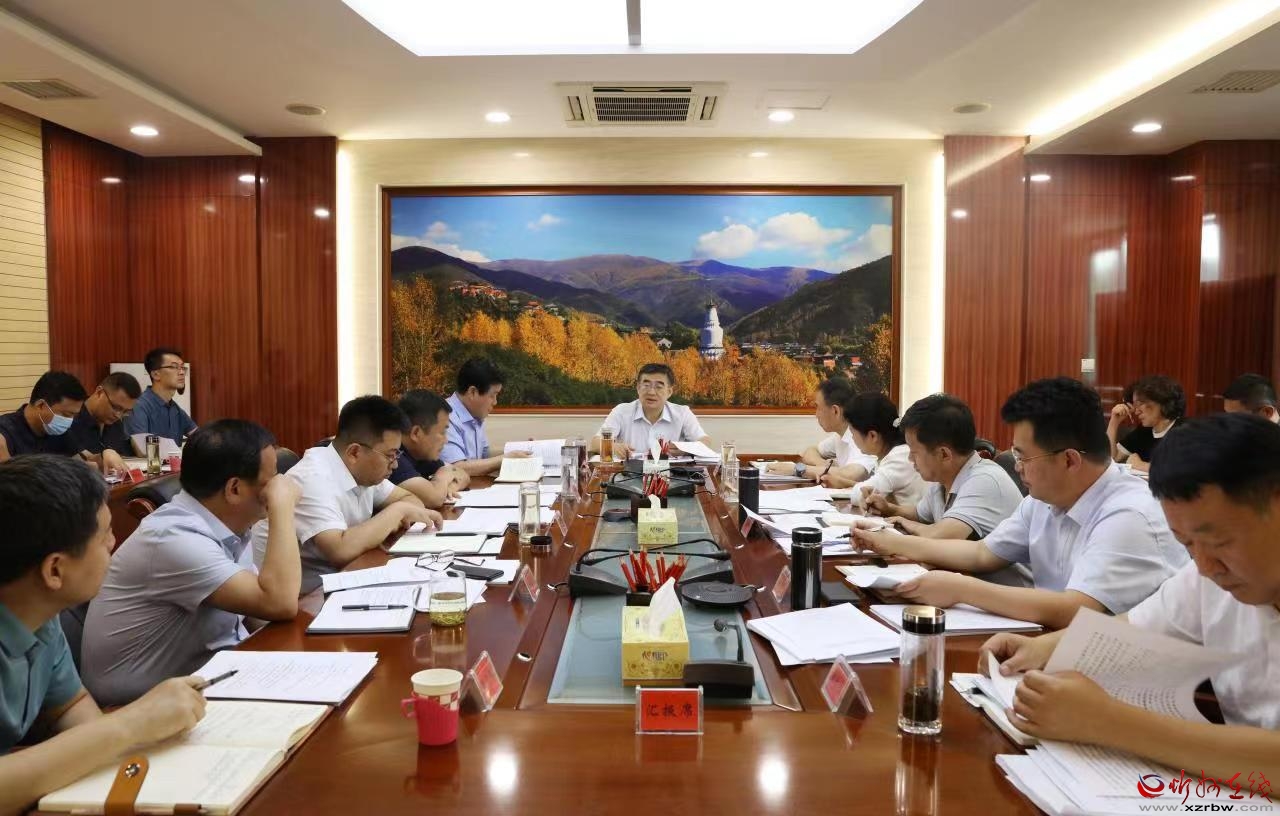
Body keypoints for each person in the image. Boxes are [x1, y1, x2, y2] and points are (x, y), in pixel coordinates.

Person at [981, 413, 1280, 783]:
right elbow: (1135, 628)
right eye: (1188, 544)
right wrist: (1040, 648)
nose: (1204, 566)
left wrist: (1108, 722)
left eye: (1220, 543)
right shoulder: (1208, 581)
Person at [852, 378, 1188, 629]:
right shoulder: (1045, 499)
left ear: (1069, 460)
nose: (1017, 467)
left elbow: (1077, 610)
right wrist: (890, 542)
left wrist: (960, 588)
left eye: (1022, 456)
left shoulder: (1129, 513)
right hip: (1053, 643)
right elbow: (982, 553)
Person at [0, 455, 207, 815]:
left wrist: (114, 753)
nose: (114, 543)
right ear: (54, 570)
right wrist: (132, 725)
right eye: (104, 536)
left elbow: (68, 705)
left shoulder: (42, 615)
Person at [81, 420, 303, 706]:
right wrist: (283, 507)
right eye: (271, 480)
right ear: (234, 489)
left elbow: (262, 613)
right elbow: (279, 602)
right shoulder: (173, 538)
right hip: (137, 707)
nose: (279, 486)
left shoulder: (229, 524)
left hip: (210, 679)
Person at [261, 396, 443, 594]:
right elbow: (339, 550)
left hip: (345, 580)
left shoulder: (362, 471)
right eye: (390, 456)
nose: (395, 464)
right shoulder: (313, 478)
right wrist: (397, 512)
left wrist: (396, 514)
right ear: (354, 453)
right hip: (303, 598)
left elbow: (411, 501)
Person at [865, 393, 1023, 540]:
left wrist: (903, 523)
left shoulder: (984, 481)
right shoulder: (944, 478)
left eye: (914, 452)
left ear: (944, 454)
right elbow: (920, 514)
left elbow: (941, 537)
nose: (910, 459)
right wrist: (890, 509)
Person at [765, 377, 877, 482]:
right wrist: (823, 464)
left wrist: (796, 469)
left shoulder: (863, 435)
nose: (816, 415)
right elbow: (810, 451)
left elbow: (852, 474)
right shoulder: (840, 435)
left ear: (835, 411)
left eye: (818, 407)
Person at [594, 363, 710, 460]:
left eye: (659, 387)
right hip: (629, 476)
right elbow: (594, 443)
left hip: (672, 476)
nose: (651, 392)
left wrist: (684, 449)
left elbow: (705, 442)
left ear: (669, 392)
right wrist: (613, 447)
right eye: (646, 385)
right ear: (638, 388)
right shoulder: (621, 411)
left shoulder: (682, 413)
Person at [831, 392, 927, 511]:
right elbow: (870, 490)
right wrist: (845, 482)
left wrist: (847, 484)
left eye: (852, 432)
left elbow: (861, 495)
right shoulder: (893, 452)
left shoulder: (899, 457)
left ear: (872, 436)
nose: (852, 437)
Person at [441, 358, 527, 476]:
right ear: (473, 392)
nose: (495, 402)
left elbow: (484, 460)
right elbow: (456, 468)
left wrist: (521, 453)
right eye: (492, 395)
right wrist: (505, 459)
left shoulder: (475, 415)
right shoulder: (445, 417)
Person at [391, 390, 470, 508]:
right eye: (442, 432)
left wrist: (450, 488)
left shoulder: (421, 453)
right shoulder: (394, 456)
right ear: (416, 433)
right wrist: (444, 475)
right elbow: (434, 499)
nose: (446, 440)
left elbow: (463, 474)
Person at [62, 372, 141, 477]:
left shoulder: (116, 424)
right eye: (116, 407)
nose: (118, 415)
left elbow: (123, 457)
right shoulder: (69, 419)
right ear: (99, 393)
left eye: (126, 411)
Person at [0, 371, 87, 463]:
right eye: (66, 415)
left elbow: (78, 461)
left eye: (74, 415)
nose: (69, 421)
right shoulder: (6, 433)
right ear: (41, 405)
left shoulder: (61, 432)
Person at [125, 347, 197, 451]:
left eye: (182, 367)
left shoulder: (176, 409)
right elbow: (142, 448)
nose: (181, 372)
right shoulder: (139, 405)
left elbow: (200, 437)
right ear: (155, 374)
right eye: (174, 367)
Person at [1109, 374, 1184, 472]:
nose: (1136, 411)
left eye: (1140, 404)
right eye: (1135, 405)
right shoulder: (1143, 431)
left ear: (1161, 401)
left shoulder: (1186, 430)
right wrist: (1114, 422)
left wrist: (1141, 465)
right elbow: (1111, 459)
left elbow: (1184, 471)